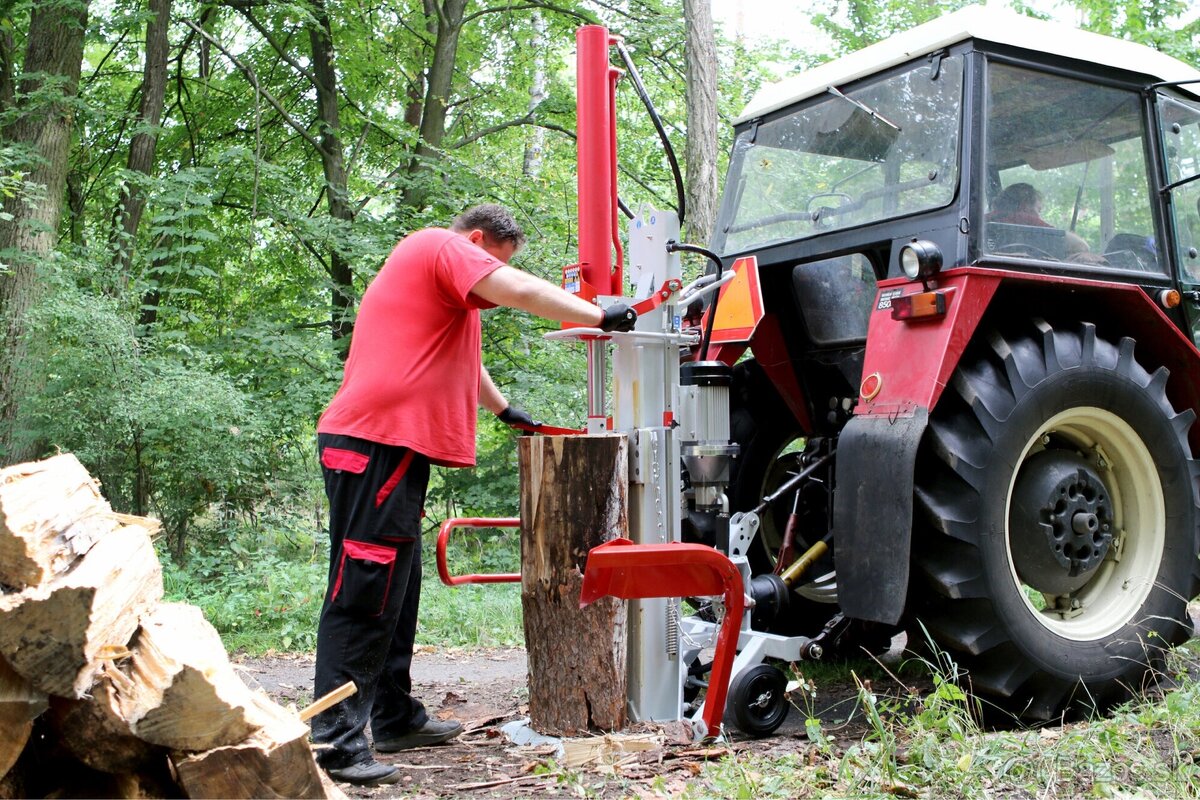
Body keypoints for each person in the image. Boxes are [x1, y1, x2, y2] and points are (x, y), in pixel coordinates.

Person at [312, 204, 636, 787]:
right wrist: (598, 313)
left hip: (388, 445)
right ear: (479, 241)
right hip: (375, 439)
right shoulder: (440, 244)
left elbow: (466, 362)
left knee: (396, 586)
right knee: (365, 586)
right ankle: (334, 740)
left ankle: (393, 717)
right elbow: (516, 289)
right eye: (495, 259)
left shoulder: (441, 286)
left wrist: (506, 410)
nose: (492, 273)